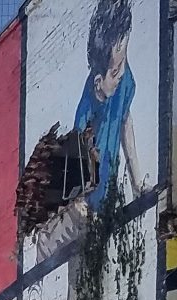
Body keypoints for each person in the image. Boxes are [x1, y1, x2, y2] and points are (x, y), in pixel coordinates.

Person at [72, 0, 147, 216]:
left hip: (109, 191)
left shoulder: (125, 81)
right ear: (98, 81)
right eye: (115, 71)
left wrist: (137, 183)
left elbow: (125, 122)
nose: (122, 73)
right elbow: (76, 155)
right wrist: (78, 200)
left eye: (124, 63)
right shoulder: (86, 108)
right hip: (88, 201)